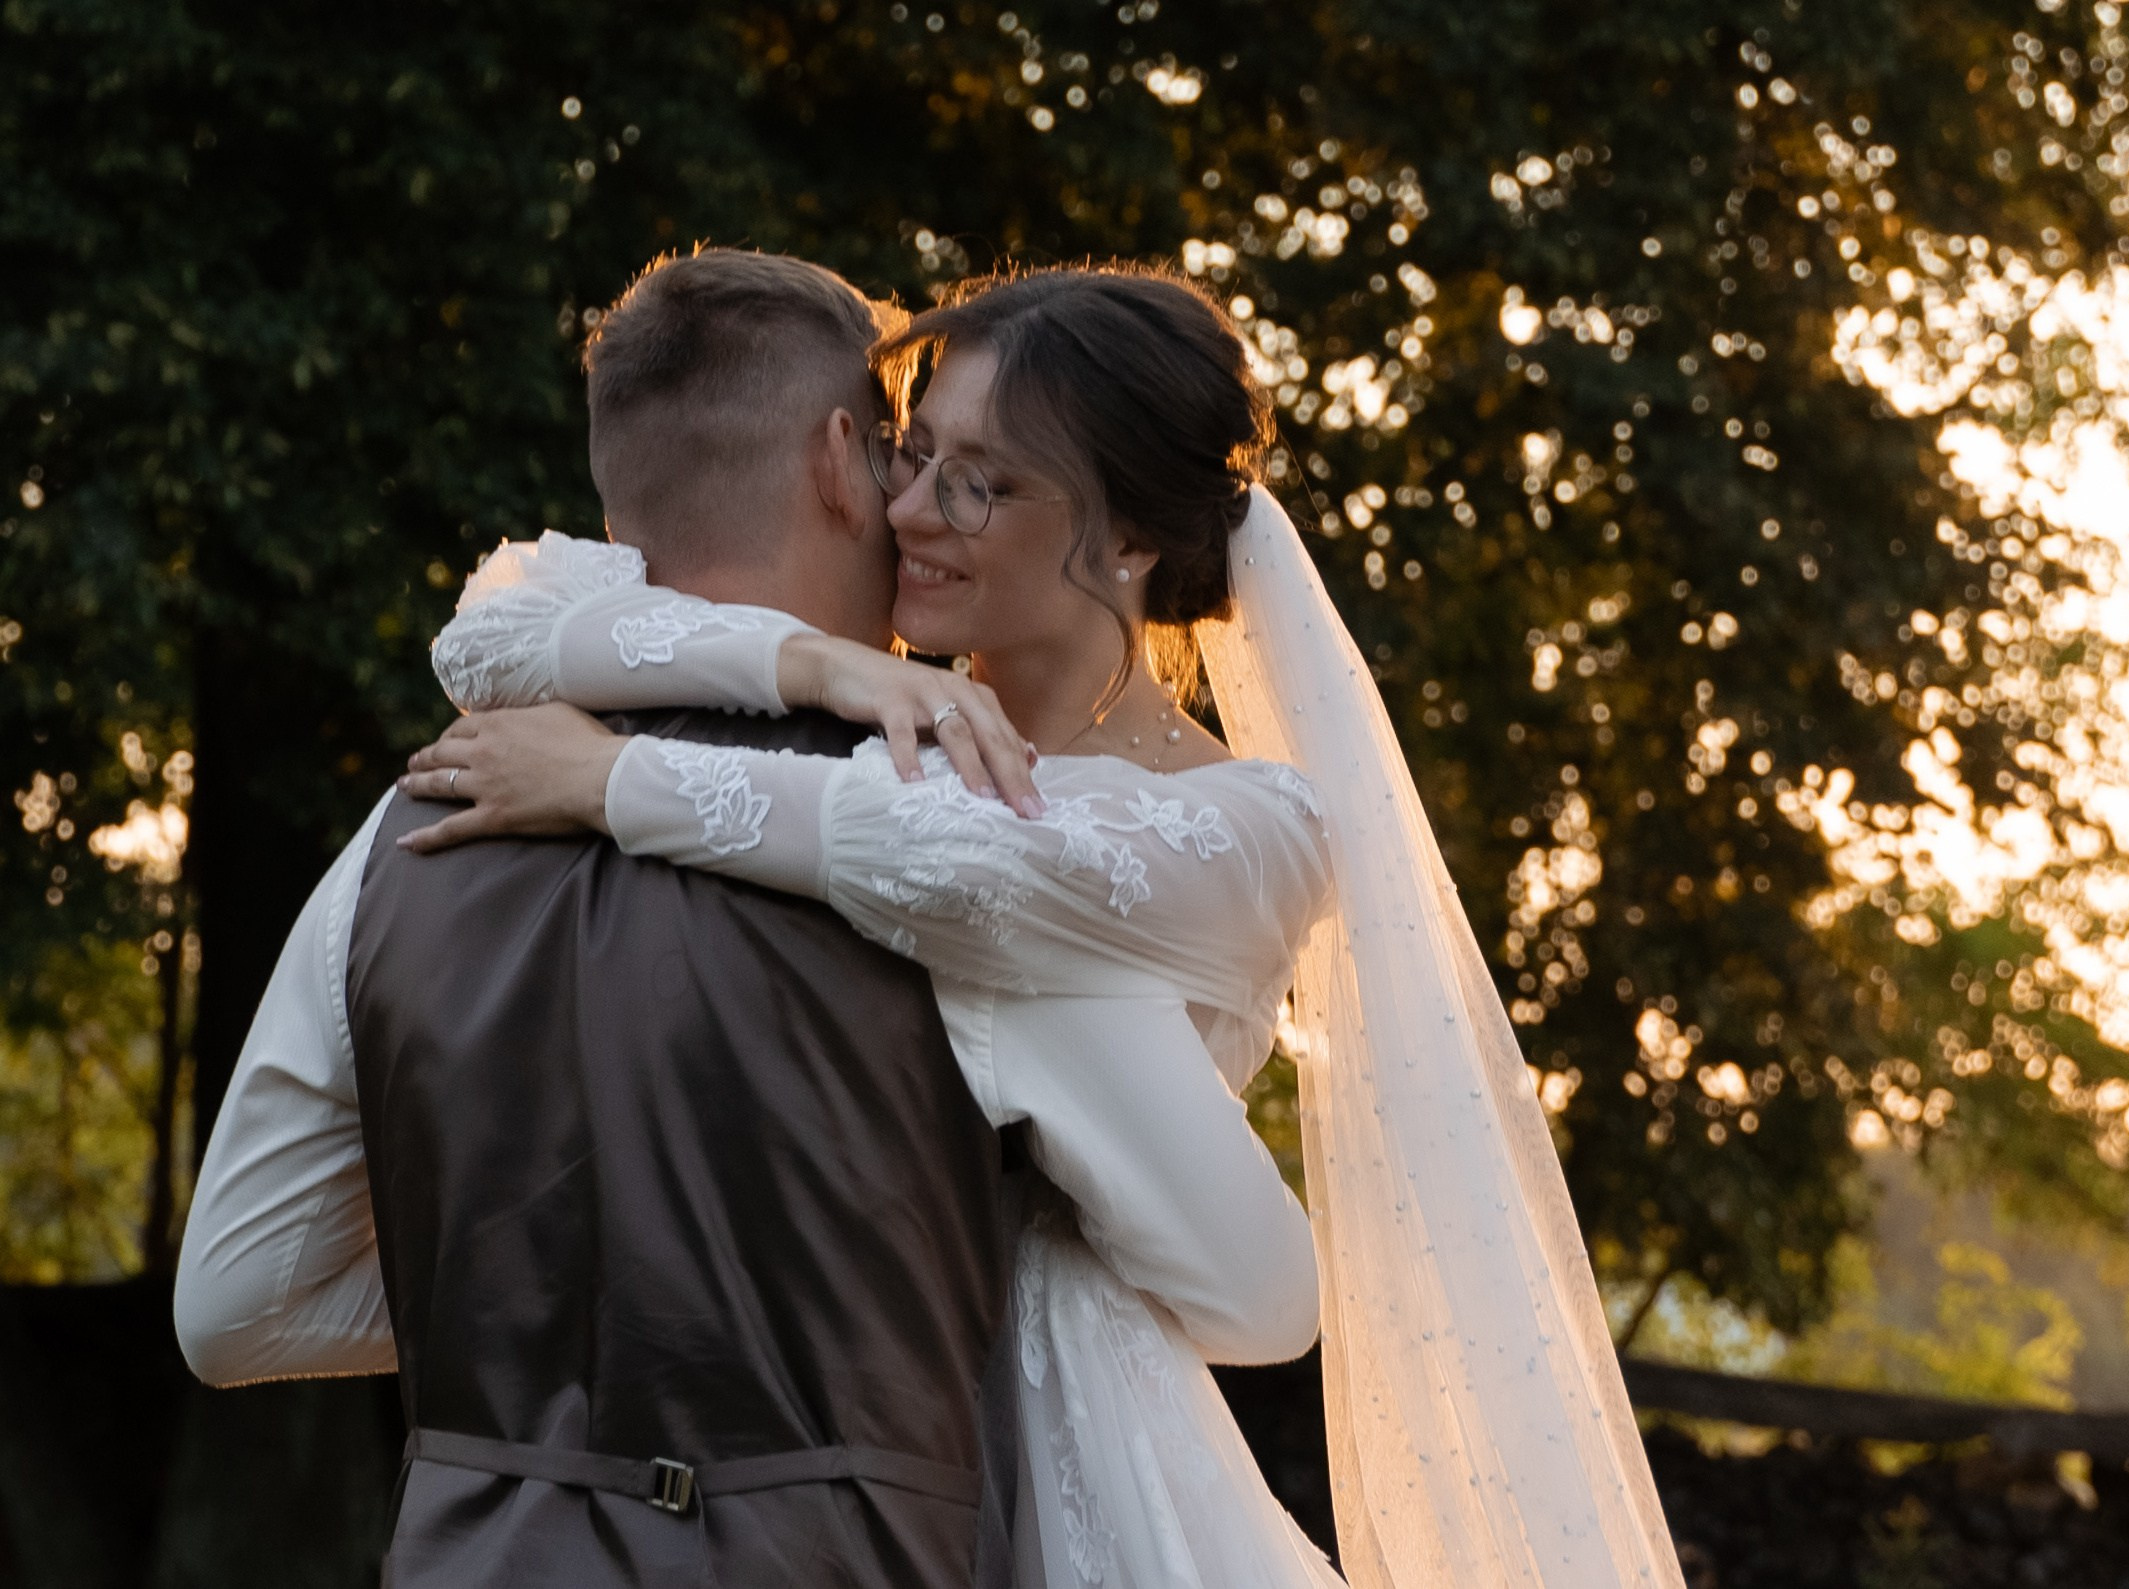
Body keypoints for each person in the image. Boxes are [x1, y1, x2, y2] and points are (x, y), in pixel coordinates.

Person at [400, 263, 1689, 1589]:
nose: (909, 511)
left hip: (1089, 1451)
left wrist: (614, 779)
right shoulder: (868, 728)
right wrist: (817, 663)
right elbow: (493, 636)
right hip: (829, 1415)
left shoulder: (1249, 822)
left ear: (1128, 536)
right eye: (915, 457)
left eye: (985, 482)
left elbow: (974, 870)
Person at [173, 249, 1319, 1589]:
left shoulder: (414, 819)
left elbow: (233, 1305)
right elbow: (1254, 1288)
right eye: (904, 449)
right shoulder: (951, 847)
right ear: (843, 460)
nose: (914, 499)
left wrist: (535, 1307)